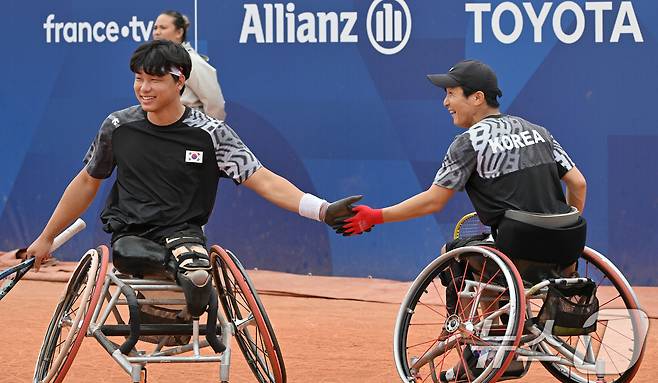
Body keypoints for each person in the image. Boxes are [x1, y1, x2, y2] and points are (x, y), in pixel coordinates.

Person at [26, 40, 359, 333]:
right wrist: (46, 238)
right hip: (131, 232)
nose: (144, 88)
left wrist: (323, 210)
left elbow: (263, 179)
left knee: (195, 271)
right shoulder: (117, 126)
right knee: (134, 252)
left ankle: (189, 283)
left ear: (179, 81)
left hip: (184, 233)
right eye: (139, 79)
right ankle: (181, 283)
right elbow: (86, 181)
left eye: (154, 80)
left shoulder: (210, 133)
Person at [338, 60, 588, 379]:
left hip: (514, 249)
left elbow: (434, 200)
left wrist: (377, 216)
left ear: (477, 98)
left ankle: (480, 345)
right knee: (485, 250)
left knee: (455, 254)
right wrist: (562, 230)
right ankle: (506, 328)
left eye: (452, 93)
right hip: (565, 246)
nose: (445, 102)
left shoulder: (469, 142)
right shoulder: (540, 132)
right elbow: (578, 184)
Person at [153, 10, 226, 120]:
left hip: (190, 131)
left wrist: (209, 133)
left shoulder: (192, 61)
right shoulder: (159, 61)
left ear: (179, 32)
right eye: (155, 28)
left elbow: (215, 104)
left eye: (163, 28)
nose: (157, 32)